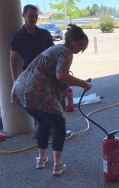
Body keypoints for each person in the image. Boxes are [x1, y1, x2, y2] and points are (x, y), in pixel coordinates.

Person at [11, 24, 92, 176]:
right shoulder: (66, 52)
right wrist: (83, 83)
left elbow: (56, 76)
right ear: (72, 40)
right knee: (59, 125)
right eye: (80, 44)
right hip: (37, 91)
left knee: (44, 122)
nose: (81, 49)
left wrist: (78, 82)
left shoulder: (54, 49)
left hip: (21, 89)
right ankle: (57, 164)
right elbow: (61, 75)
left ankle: (41, 160)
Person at [10, 4, 54, 82]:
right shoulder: (16, 37)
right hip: (29, 76)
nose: (34, 19)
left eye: (36, 16)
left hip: (47, 74)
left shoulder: (45, 33)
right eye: (31, 16)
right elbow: (14, 59)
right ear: (23, 15)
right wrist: (15, 80)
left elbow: (53, 53)